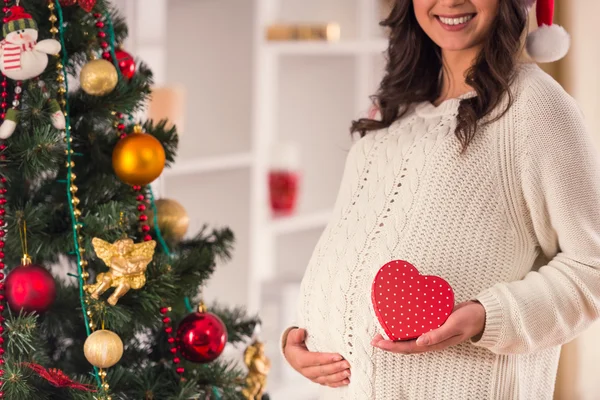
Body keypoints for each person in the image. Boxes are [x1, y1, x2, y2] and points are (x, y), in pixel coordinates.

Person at [281, 0, 600, 399]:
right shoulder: (393, 110)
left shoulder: (535, 106)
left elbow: (592, 266)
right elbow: (352, 246)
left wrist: (486, 317)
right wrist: (301, 338)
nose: (450, 1)